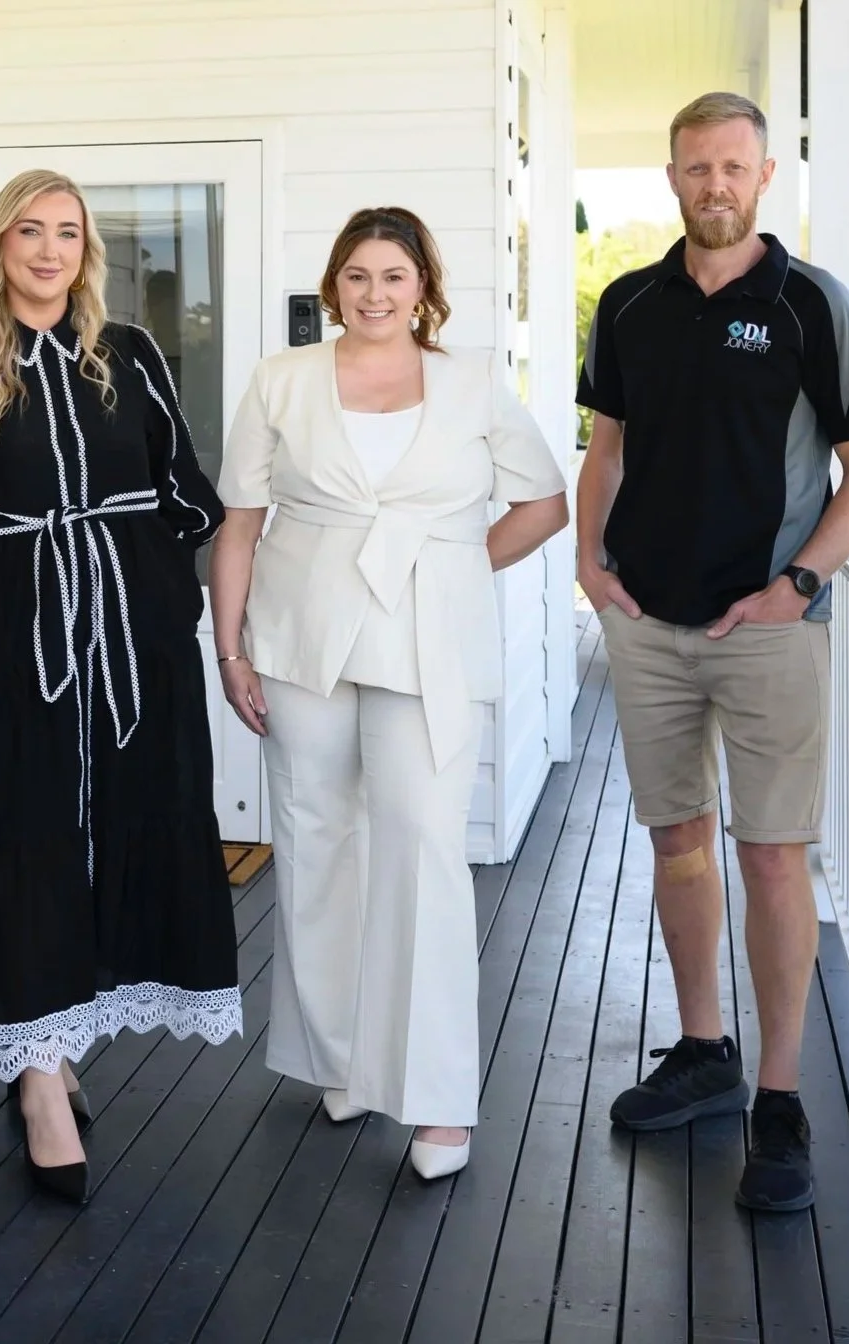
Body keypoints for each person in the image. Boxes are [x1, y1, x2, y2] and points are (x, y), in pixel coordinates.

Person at [0, 169, 241, 1204]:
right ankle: (39, 1084)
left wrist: (157, 605)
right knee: (24, 835)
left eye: (67, 234)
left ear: (87, 250)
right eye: (27, 231)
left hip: (133, 642)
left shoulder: (124, 356)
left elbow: (183, 491)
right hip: (18, 647)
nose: (48, 250)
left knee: (129, 820)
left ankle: (69, 1042)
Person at [577, 92, 849, 1213]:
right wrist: (588, 562)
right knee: (676, 843)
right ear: (669, 178)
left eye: (731, 166)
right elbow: (604, 449)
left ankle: (776, 1096)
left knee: (768, 856)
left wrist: (796, 585)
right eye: (692, 167)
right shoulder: (625, 304)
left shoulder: (810, 304)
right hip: (648, 627)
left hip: (767, 631)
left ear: (762, 176)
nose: (711, 184)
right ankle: (703, 1048)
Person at [210, 206, 568, 1180]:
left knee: (420, 848)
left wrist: (452, 567)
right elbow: (238, 523)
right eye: (357, 276)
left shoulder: (470, 387)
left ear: (423, 288)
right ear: (334, 286)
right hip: (297, 636)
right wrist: (230, 652)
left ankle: (439, 1098)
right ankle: (340, 1059)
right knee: (317, 842)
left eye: (393, 277)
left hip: (427, 643)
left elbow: (544, 504)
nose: (374, 294)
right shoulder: (279, 382)